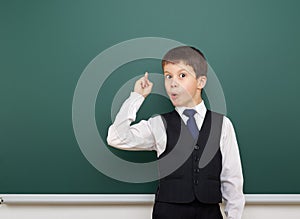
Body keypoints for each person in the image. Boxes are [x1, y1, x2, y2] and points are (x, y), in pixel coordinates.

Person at [107, 46, 245, 219]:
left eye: (182, 75)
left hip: (209, 213)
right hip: (168, 213)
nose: (173, 83)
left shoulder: (223, 125)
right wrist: (137, 97)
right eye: (168, 76)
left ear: (201, 82)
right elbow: (116, 138)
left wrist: (234, 216)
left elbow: (232, 179)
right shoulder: (158, 124)